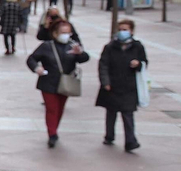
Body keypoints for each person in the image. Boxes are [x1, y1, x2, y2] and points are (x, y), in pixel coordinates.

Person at [25, 20, 90, 148]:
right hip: (48, 81)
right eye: (63, 32)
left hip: (66, 83)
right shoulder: (46, 46)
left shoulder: (72, 46)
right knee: (52, 108)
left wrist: (80, 53)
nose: (66, 35)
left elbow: (84, 59)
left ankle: (54, 128)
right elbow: (31, 59)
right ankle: (52, 133)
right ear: (55, 33)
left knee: (60, 108)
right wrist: (36, 69)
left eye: (68, 32)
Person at [98, 18, 148, 153]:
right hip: (113, 85)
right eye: (120, 30)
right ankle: (109, 136)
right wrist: (105, 82)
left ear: (131, 31)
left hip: (129, 86)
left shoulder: (137, 46)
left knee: (128, 114)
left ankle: (130, 141)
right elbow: (103, 65)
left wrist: (138, 64)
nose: (122, 32)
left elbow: (144, 62)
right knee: (111, 113)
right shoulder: (110, 47)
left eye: (125, 30)